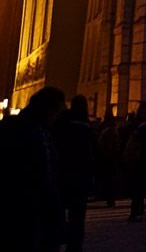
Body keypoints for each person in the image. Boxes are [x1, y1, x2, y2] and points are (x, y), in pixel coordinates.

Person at [0, 85, 66, 252]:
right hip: (24, 208)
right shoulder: (33, 132)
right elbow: (43, 174)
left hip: (25, 208)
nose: (57, 117)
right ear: (49, 109)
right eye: (57, 111)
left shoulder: (34, 129)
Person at [55, 94, 96, 252]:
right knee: (78, 216)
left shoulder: (62, 122)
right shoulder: (86, 126)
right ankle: (75, 245)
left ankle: (56, 240)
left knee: (58, 210)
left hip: (63, 173)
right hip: (81, 176)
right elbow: (91, 154)